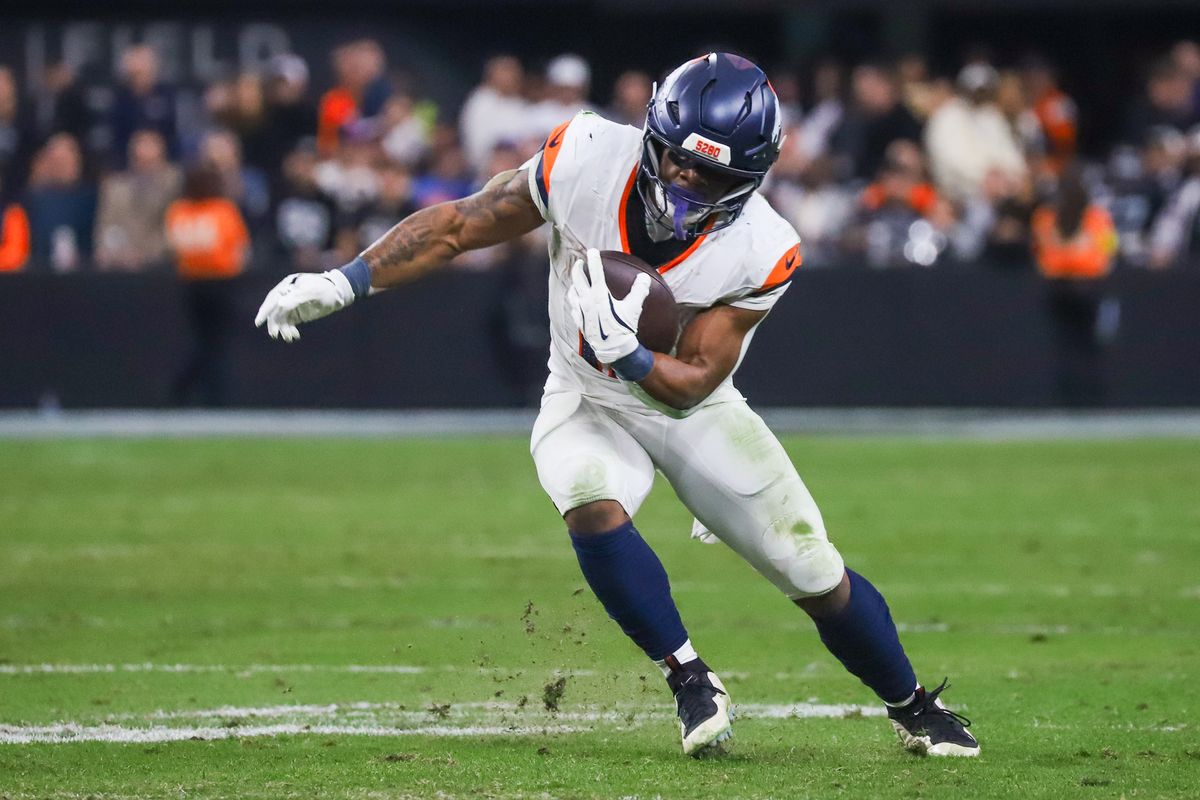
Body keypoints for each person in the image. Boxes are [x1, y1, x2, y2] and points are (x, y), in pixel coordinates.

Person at [255, 53, 979, 759]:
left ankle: (914, 704)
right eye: (675, 157)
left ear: (750, 178)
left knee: (811, 568)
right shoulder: (586, 157)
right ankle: (691, 679)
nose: (683, 178)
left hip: (688, 409)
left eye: (710, 171)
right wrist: (348, 280)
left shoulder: (764, 248)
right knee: (586, 494)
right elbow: (462, 224)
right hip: (584, 394)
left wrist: (633, 355)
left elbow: (695, 378)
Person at [93, 129, 182, 271]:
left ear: (162, 150)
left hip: (161, 265)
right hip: (121, 264)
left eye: (149, 143)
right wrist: (114, 252)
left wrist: (146, 254)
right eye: (140, 143)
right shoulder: (115, 186)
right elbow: (106, 226)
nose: (143, 149)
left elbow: (175, 227)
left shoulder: (174, 183)